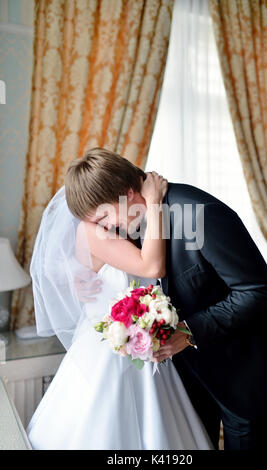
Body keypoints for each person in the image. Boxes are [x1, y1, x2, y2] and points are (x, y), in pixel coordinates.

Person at [70, 148, 267, 450]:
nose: (106, 229)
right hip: (182, 377)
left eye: (105, 217)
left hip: (239, 369)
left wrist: (189, 332)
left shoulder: (199, 212)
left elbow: (257, 289)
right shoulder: (132, 222)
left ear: (127, 192)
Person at [26, 149, 213, 450]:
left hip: (138, 347)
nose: (102, 224)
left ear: (123, 193)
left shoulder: (118, 228)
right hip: (110, 355)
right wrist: (153, 202)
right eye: (93, 219)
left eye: (101, 215)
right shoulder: (93, 231)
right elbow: (152, 267)